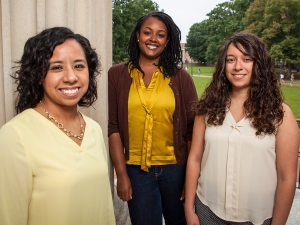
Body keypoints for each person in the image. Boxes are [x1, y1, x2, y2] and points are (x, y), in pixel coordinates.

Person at [0, 27, 115, 225]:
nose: (71, 77)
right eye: (56, 67)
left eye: (79, 66)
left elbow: (105, 207)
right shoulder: (15, 135)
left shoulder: (94, 128)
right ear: (38, 75)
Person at [185, 32, 299, 225]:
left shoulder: (281, 115)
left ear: (259, 64)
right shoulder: (207, 109)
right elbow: (195, 159)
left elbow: (287, 178)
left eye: (247, 59)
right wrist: (189, 208)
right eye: (231, 60)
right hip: (207, 210)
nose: (238, 66)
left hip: (258, 217)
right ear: (224, 66)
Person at [108, 11, 198, 225]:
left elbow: (192, 130)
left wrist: (190, 179)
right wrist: (121, 174)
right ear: (137, 35)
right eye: (147, 32)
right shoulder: (117, 75)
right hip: (136, 172)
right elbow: (113, 128)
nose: (153, 39)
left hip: (176, 169)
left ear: (167, 41)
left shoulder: (181, 78)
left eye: (160, 35)